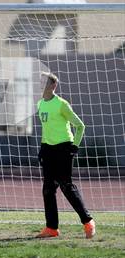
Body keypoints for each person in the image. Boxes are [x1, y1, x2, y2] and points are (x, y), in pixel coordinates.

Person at [37, 72, 95, 239]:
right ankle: (52, 228)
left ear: (53, 86)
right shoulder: (40, 104)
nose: (40, 85)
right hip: (48, 149)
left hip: (64, 148)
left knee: (66, 186)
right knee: (48, 189)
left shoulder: (62, 104)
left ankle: (88, 222)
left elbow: (80, 126)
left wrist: (74, 147)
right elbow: (46, 129)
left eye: (44, 82)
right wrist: (42, 148)